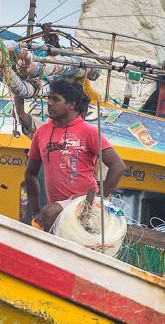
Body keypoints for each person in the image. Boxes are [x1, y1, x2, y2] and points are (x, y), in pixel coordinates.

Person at [24, 79, 126, 232]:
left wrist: (98, 199)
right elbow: (30, 174)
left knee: (50, 212)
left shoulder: (89, 132)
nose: (50, 103)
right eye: (49, 98)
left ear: (71, 104)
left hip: (84, 204)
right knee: (48, 213)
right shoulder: (41, 133)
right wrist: (36, 211)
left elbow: (118, 166)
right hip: (60, 209)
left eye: (56, 99)